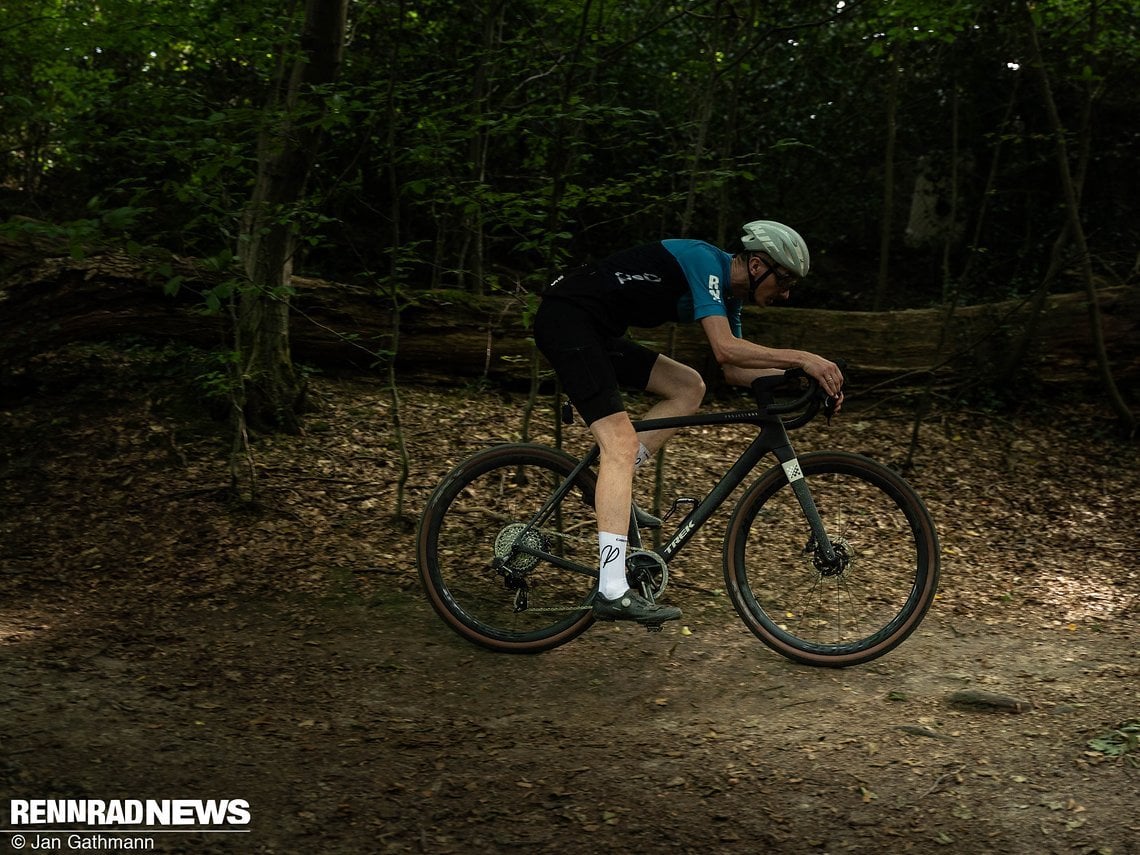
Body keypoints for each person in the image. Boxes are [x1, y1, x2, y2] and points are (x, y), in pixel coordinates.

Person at [532, 220, 845, 626]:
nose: (784, 294)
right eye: (783, 281)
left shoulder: (729, 297)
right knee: (620, 444)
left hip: (595, 332)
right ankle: (612, 590)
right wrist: (804, 358)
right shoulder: (703, 260)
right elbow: (725, 347)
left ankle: (611, 485)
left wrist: (802, 380)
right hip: (567, 321)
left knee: (688, 386)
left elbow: (732, 371)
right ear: (756, 266)